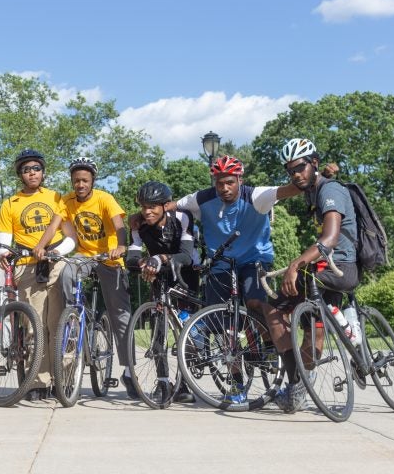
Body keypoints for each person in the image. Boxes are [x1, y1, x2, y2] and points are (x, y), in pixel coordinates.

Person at [168, 156, 301, 403]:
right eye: (220, 183)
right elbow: (169, 206)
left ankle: (268, 344)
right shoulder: (202, 198)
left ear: (240, 179)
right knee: (222, 324)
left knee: (255, 303)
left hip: (254, 259)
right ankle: (237, 384)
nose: (224, 188)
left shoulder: (256, 196)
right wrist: (139, 219)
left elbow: (289, 190)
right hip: (221, 263)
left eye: (230, 182)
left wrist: (312, 178)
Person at [266, 138, 359, 413]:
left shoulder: (330, 192)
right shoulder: (314, 188)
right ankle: (301, 386)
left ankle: (297, 385)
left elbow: (329, 239)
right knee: (310, 326)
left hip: (340, 266)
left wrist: (295, 264)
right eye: (290, 170)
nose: (295, 174)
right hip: (324, 269)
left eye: (300, 167)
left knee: (275, 309)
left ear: (313, 163)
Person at [33, 157, 136, 399]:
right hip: (85, 256)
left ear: (92, 182)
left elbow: (119, 225)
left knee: (121, 315)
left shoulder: (104, 199)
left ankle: (130, 371)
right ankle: (75, 314)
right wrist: (40, 246)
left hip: (109, 258)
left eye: (84, 180)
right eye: (76, 180)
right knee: (68, 270)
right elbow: (54, 224)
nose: (80, 184)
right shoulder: (67, 201)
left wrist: (121, 246)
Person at [0, 149, 77, 401]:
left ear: (43, 171)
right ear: (20, 174)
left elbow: (71, 237)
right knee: (34, 327)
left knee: (59, 324)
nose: (32, 173)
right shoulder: (11, 203)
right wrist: (4, 252)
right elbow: (4, 240)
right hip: (28, 267)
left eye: (36, 168)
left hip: (55, 264)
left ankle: (64, 379)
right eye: (26, 169)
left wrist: (55, 252)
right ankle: (39, 382)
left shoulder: (56, 197)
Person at [126, 181, 197, 404]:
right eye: (143, 206)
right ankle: (163, 382)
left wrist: (160, 257)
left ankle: (185, 383)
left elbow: (185, 254)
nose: (147, 211)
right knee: (159, 334)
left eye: (153, 207)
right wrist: (146, 263)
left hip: (186, 273)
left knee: (186, 332)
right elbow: (130, 259)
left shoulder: (182, 218)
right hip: (158, 276)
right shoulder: (138, 225)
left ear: (165, 206)